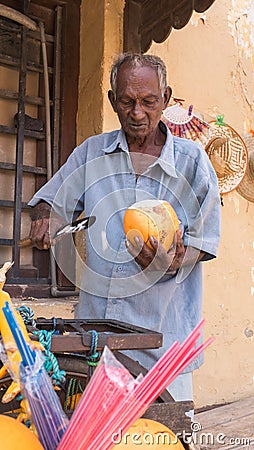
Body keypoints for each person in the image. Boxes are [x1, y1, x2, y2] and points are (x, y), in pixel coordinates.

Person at [28, 53, 221, 404]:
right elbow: (51, 201)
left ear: (166, 97)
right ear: (112, 100)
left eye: (148, 102)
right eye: (127, 101)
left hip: (163, 345)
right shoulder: (91, 153)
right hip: (95, 345)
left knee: (163, 437)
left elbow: (205, 242)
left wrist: (178, 259)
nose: (137, 113)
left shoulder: (193, 163)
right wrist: (48, 216)